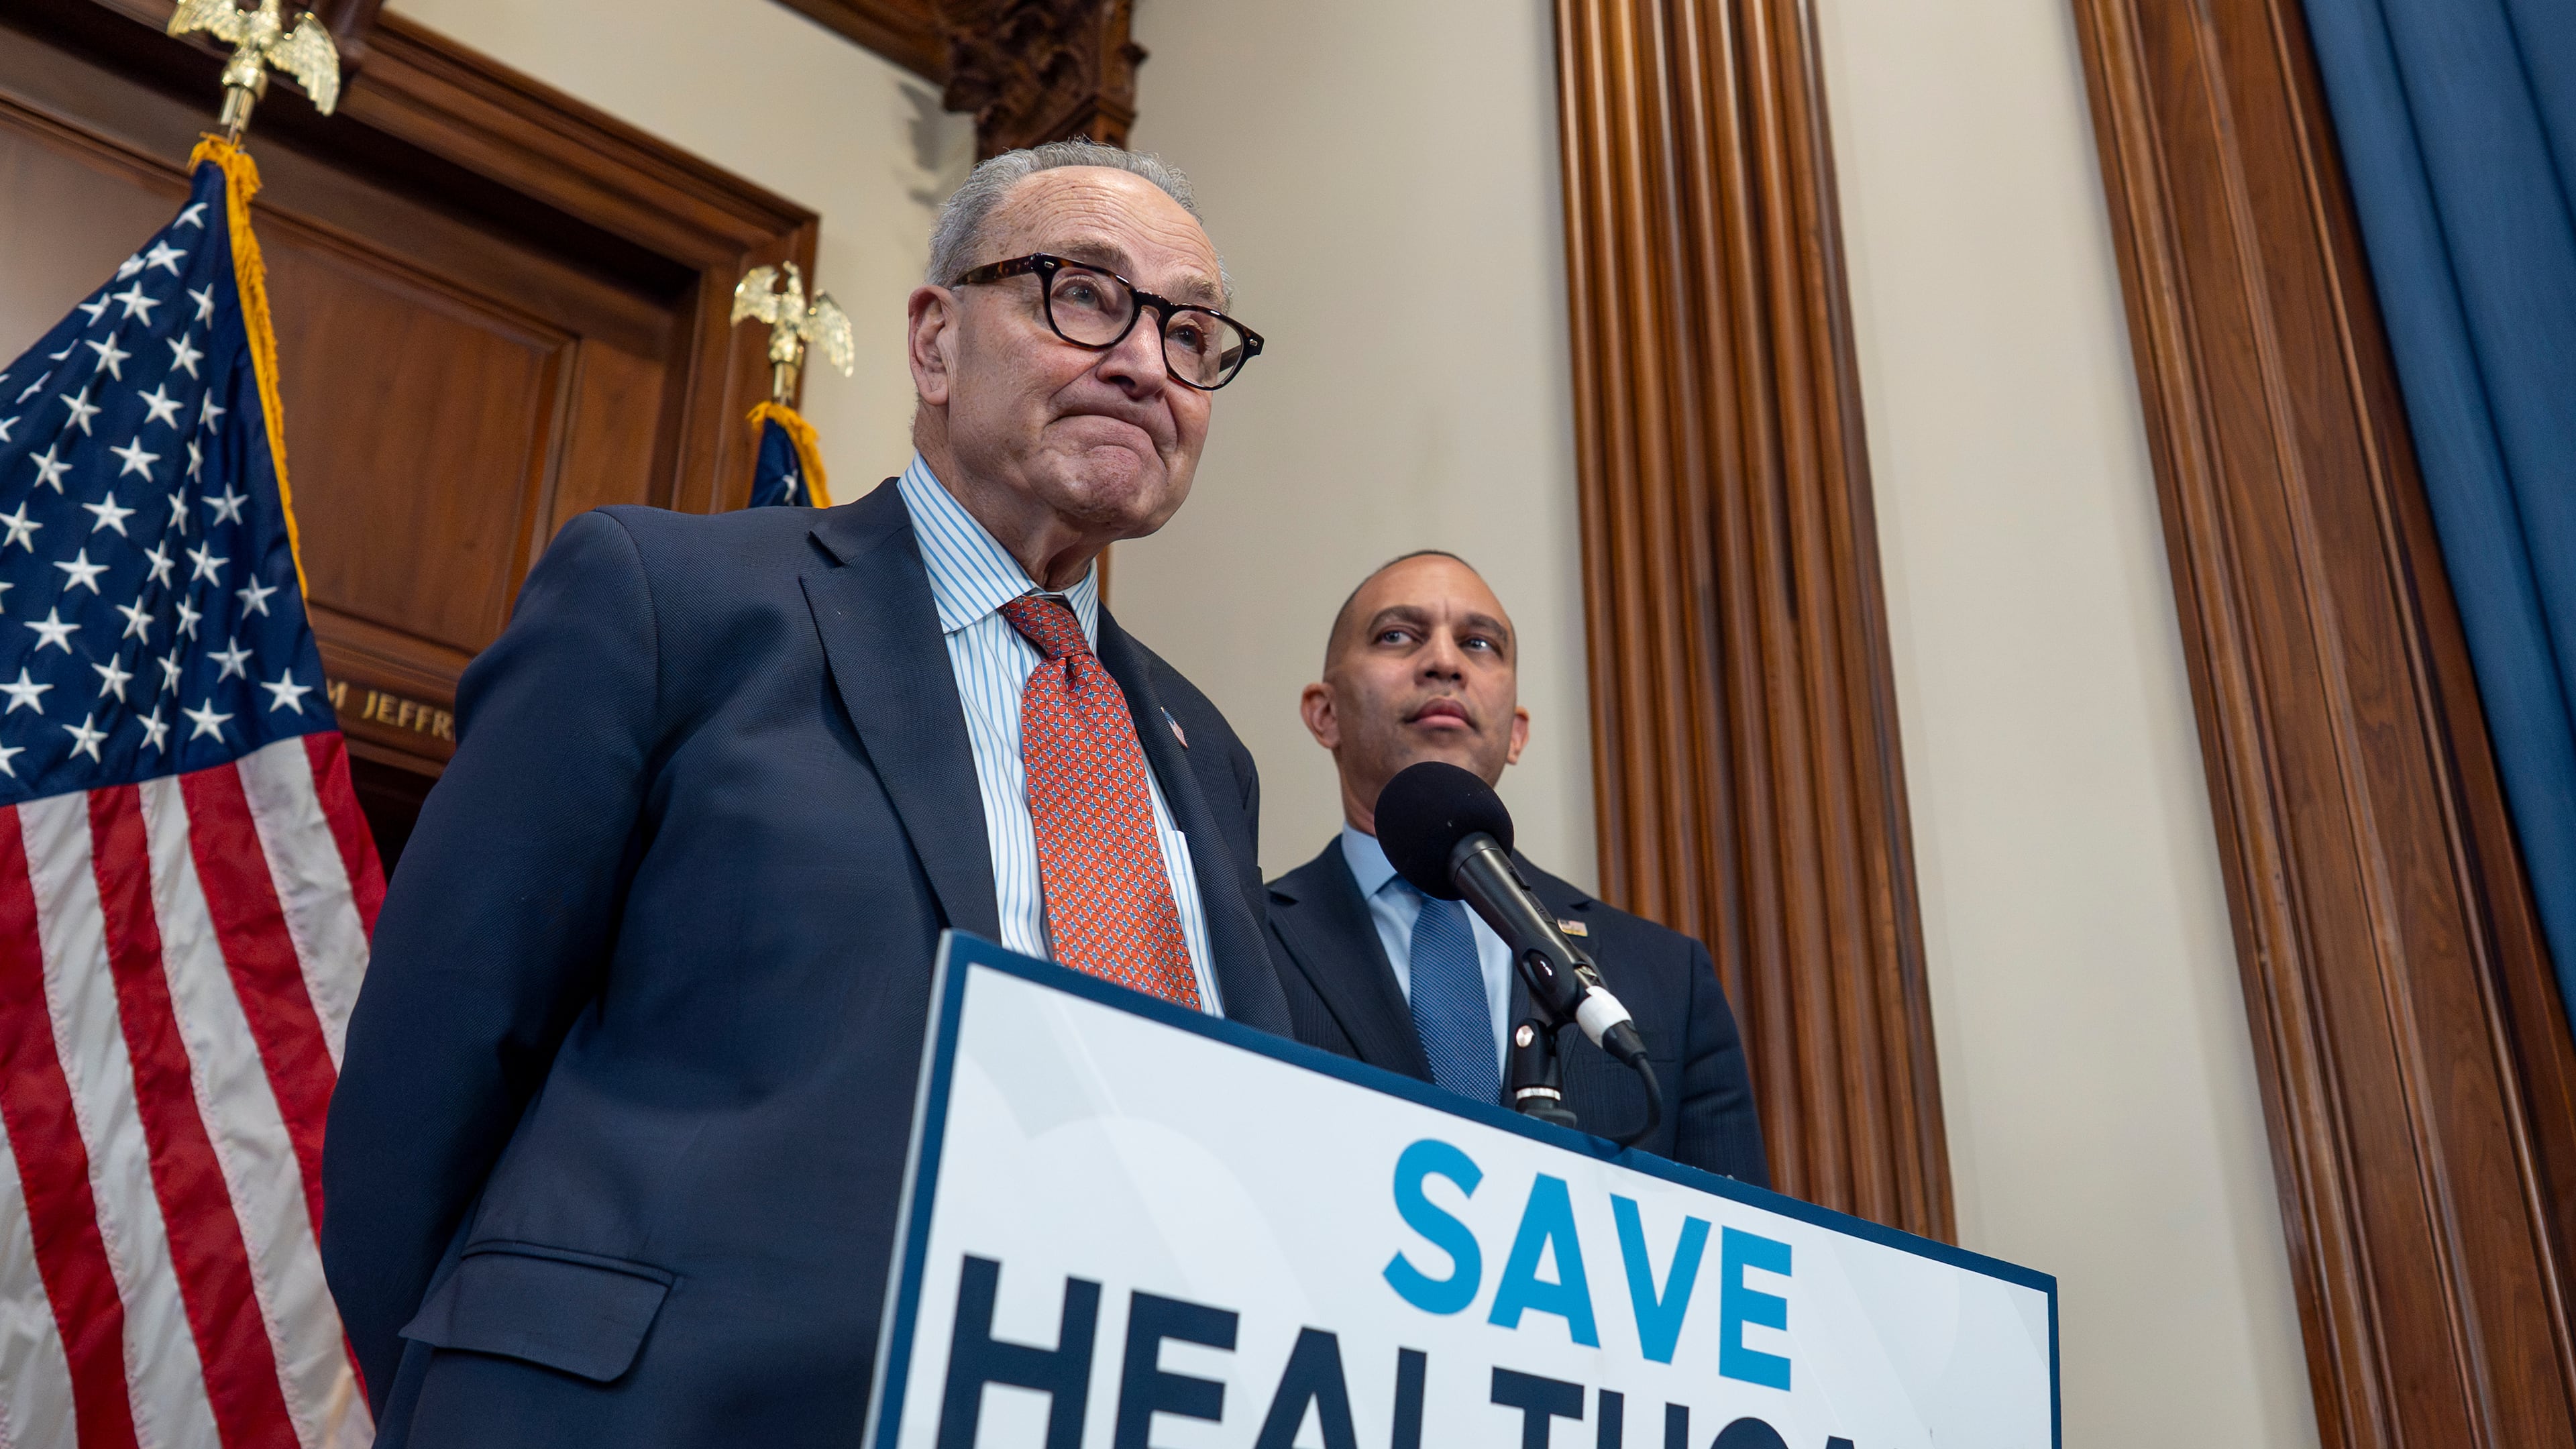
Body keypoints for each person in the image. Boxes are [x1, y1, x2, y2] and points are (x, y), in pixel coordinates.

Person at [321, 142, 1287, 1446]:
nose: (1142, 362)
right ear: (936, 342)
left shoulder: (1205, 754)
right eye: (1085, 294)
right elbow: (427, 1071)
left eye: (1190, 331)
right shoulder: (670, 601)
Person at [1267, 550, 1768, 1181]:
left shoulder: (1668, 977)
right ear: (1325, 713)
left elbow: (1735, 1241)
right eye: (1398, 636)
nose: (1444, 662)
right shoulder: (1243, 939)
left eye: (1479, 644)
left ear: (1517, 733)